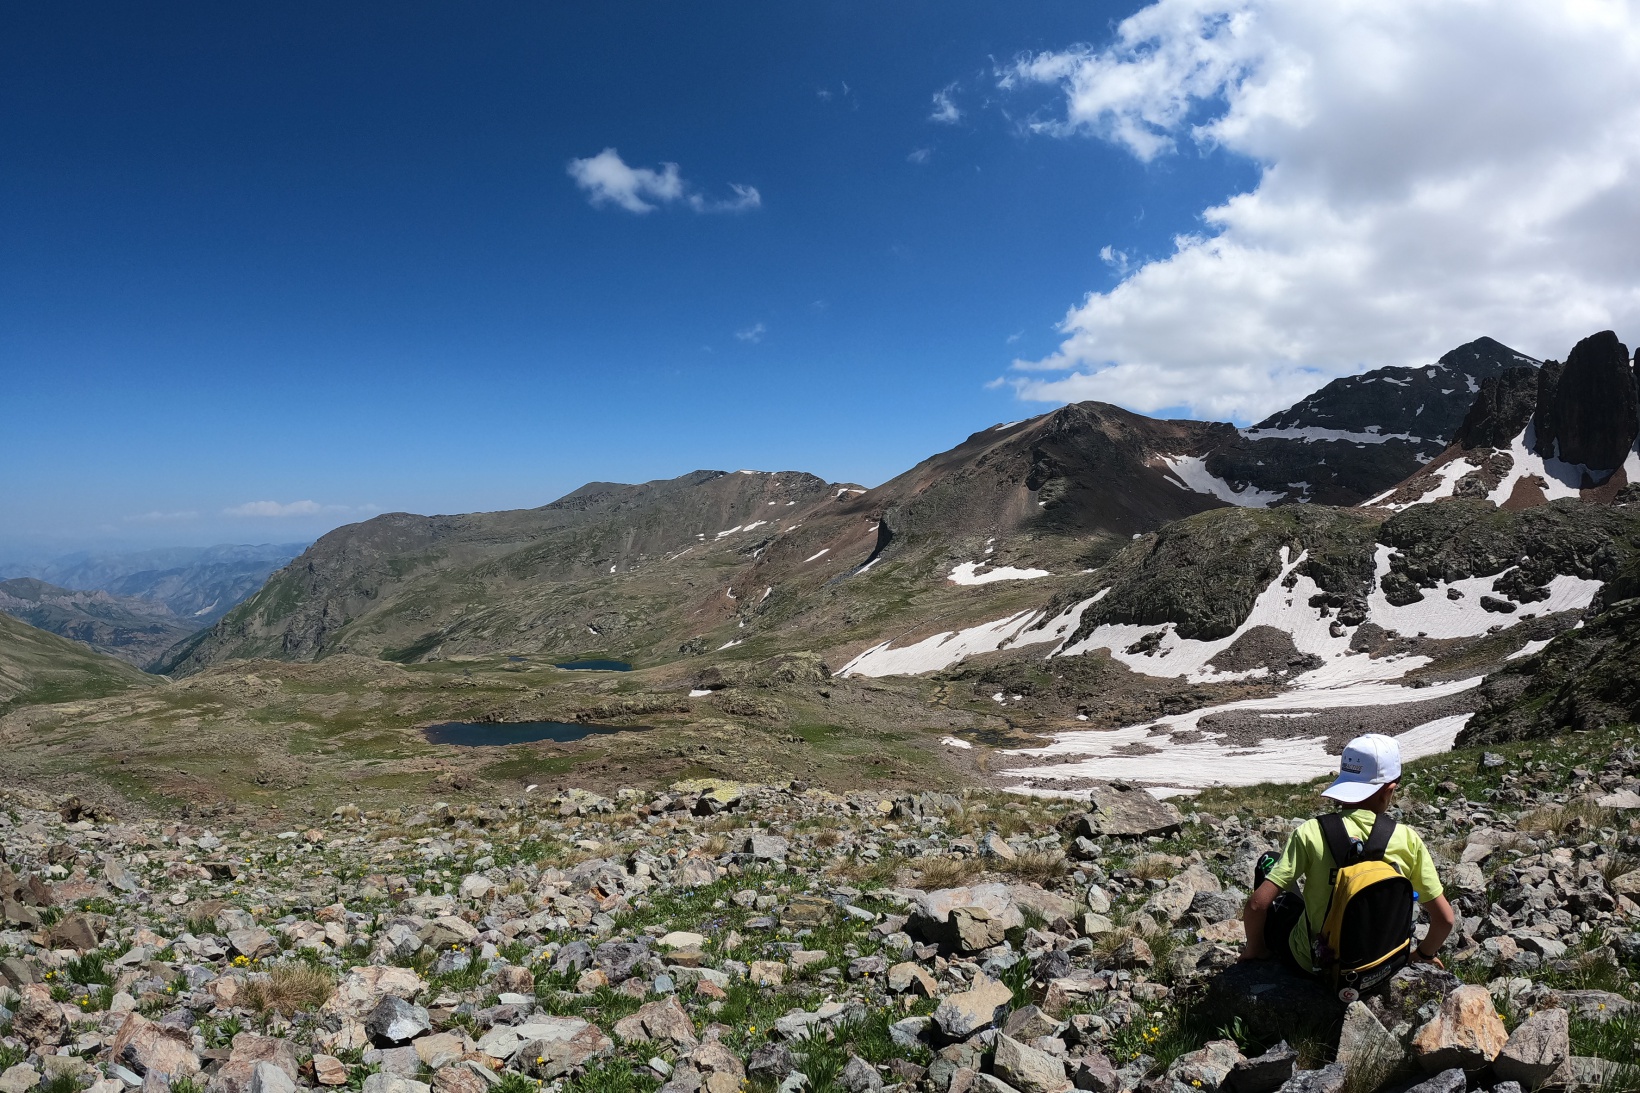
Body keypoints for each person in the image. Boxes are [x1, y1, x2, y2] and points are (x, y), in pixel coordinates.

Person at [1241, 733, 1456, 974]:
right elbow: (1445, 919)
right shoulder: (1407, 839)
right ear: (1389, 789)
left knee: (1269, 860)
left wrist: (1255, 949)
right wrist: (1423, 954)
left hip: (1313, 962)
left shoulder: (1311, 832)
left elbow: (1257, 905)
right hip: (1379, 966)